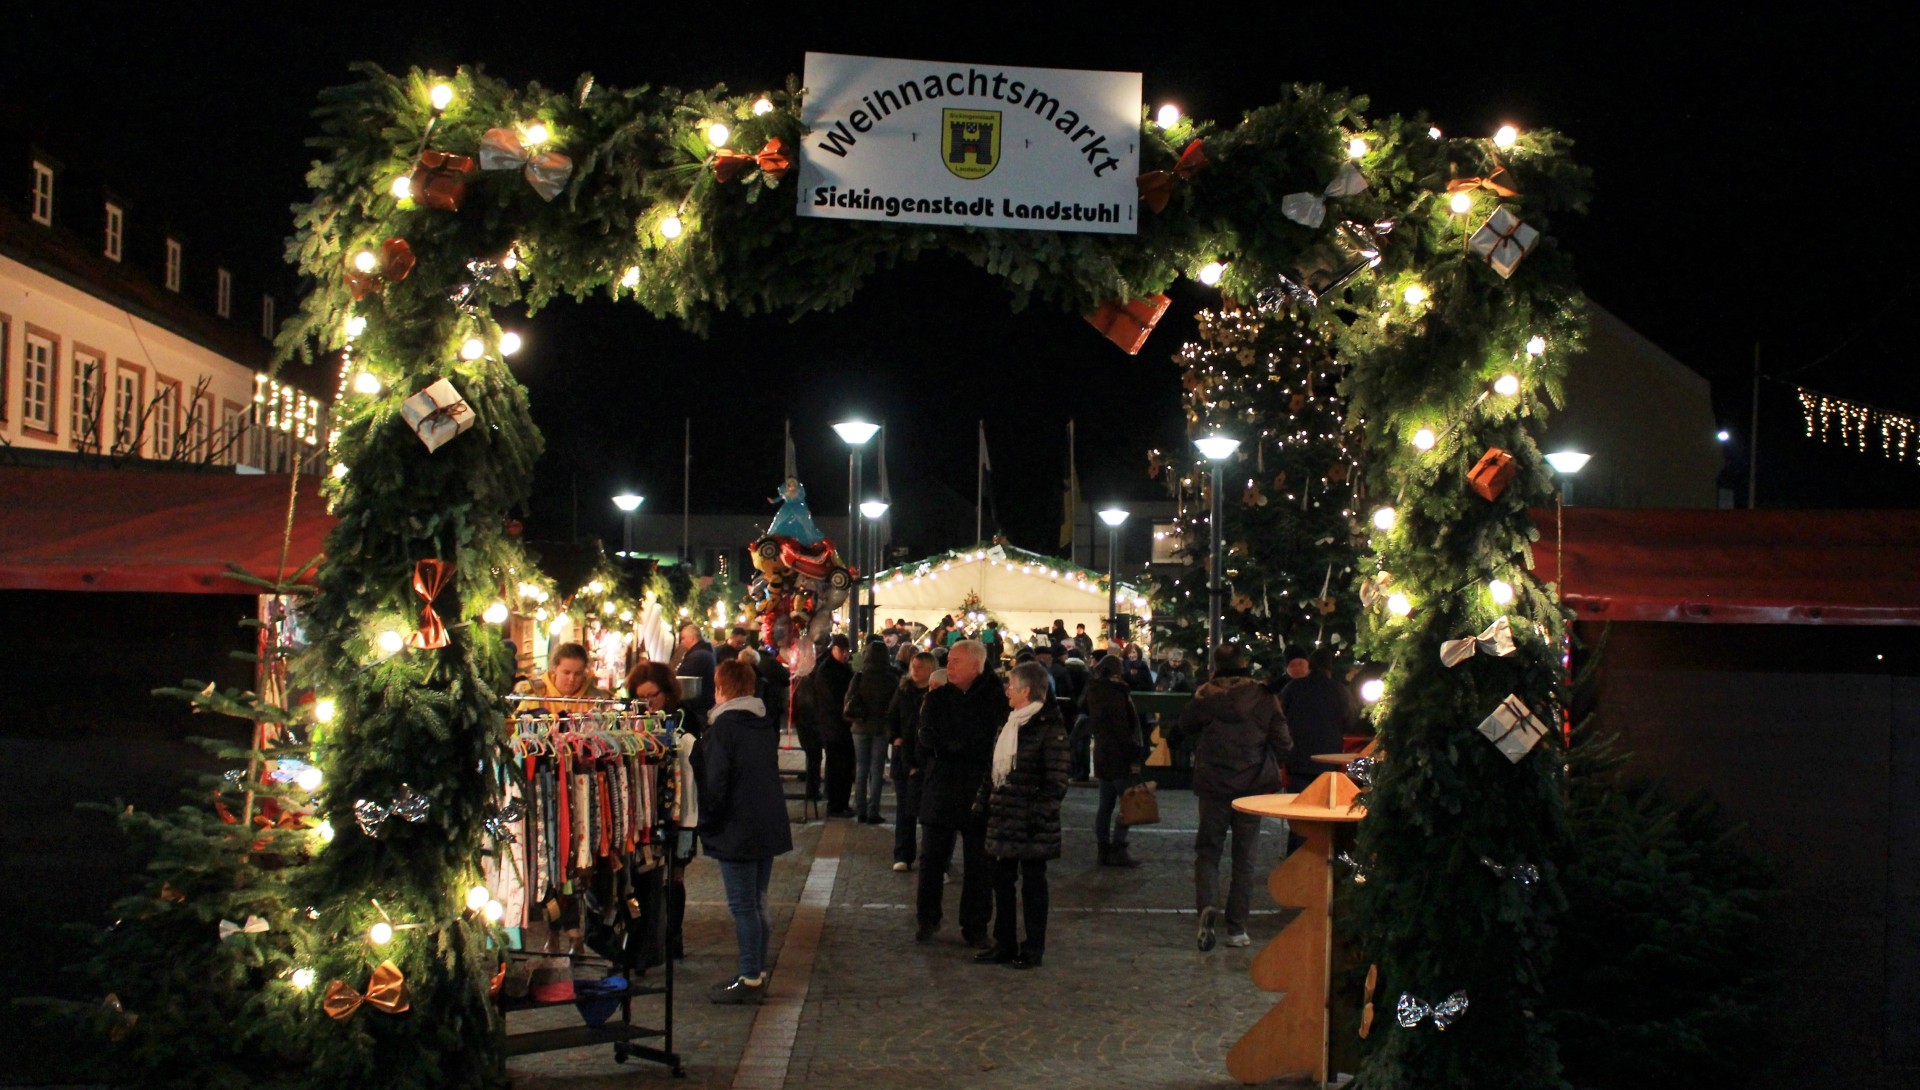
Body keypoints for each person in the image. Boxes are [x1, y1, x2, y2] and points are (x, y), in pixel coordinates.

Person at [1168, 644, 1292, 952]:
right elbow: (1284, 743)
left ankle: (1208, 906)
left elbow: (1181, 728)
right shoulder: (1263, 698)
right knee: (1244, 858)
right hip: (1251, 787)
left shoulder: (1205, 697)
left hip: (1213, 785)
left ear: (1215, 665)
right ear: (1244, 663)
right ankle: (1237, 928)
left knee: (1208, 852)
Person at [696, 659, 794, 1004]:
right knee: (757, 902)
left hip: (736, 827)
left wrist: (706, 821)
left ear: (721, 688)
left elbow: (716, 783)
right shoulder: (761, 723)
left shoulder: (724, 728)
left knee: (743, 906)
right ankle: (757, 970)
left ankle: (751, 976)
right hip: (764, 824)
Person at [973, 661, 1070, 970]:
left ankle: (1032, 948)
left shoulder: (1048, 729)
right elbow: (994, 772)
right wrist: (981, 805)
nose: (1007, 691)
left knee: (1033, 886)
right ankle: (1004, 942)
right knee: (1001, 883)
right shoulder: (1009, 723)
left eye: (1012, 686)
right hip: (1003, 818)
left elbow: (1055, 781)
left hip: (1030, 823)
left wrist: (1037, 814)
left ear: (1026, 691)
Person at [914, 639, 1007, 946]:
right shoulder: (939, 699)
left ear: (975, 666)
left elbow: (990, 743)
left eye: (955, 661)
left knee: (979, 863)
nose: (948, 666)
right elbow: (927, 736)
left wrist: (955, 745)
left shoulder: (996, 701)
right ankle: (927, 919)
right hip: (941, 787)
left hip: (979, 789)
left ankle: (976, 925)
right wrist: (955, 746)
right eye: (949, 660)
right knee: (931, 859)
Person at [626, 662, 705, 960]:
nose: (647, 703)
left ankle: (673, 937)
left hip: (683, 813)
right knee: (645, 874)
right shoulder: (629, 720)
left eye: (653, 696)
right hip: (644, 813)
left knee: (675, 875)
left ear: (667, 692)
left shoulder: (686, 721)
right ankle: (646, 938)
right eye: (641, 697)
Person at [1087, 655, 1144, 867]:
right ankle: (1118, 848)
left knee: (1105, 806)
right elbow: (1123, 729)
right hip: (1119, 756)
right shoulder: (1117, 694)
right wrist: (1133, 755)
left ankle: (1103, 849)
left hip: (1102, 753)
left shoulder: (1094, 692)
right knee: (1127, 803)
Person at [1277, 648, 1357, 790]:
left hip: (1298, 759)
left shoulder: (1292, 688)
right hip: (1329, 757)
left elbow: (1279, 718)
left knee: (1298, 803)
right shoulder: (1340, 690)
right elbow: (1350, 722)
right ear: (1330, 667)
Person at [886, 651, 937, 871]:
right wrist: (895, 738)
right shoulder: (903, 691)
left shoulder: (937, 693)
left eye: (920, 667)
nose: (915, 670)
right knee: (904, 808)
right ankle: (903, 854)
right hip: (903, 756)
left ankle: (934, 859)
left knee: (930, 810)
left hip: (927, 758)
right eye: (913, 666)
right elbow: (891, 718)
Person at [843, 639, 897, 824]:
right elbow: (894, 706)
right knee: (876, 770)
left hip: (859, 727)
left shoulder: (859, 677)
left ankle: (860, 810)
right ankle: (873, 810)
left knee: (861, 769)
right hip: (881, 728)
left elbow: (848, 700)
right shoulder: (891, 679)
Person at [810, 634, 857, 817]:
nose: (846, 654)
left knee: (842, 766)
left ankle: (841, 803)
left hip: (839, 725)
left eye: (847, 651)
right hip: (834, 726)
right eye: (842, 651)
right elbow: (833, 700)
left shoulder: (838, 668)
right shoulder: (828, 670)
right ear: (834, 649)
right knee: (837, 766)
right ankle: (836, 805)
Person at [517, 642, 607, 710]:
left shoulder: (595, 699)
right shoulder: (535, 694)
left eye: (577, 674)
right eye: (566, 672)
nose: (572, 679)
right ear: (554, 668)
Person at [673, 623, 717, 717]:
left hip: (696, 707)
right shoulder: (704, 652)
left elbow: (684, 681)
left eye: (683, 638)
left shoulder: (697, 657)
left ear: (692, 639)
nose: (682, 641)